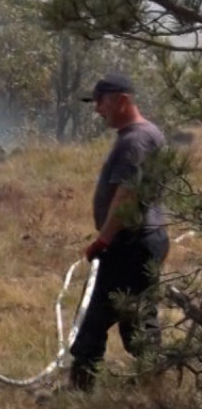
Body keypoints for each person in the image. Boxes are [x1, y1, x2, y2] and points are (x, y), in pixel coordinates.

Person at [68, 72, 169, 391]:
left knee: (93, 320)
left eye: (102, 101)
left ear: (122, 100)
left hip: (130, 243)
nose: (98, 109)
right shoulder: (144, 134)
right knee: (136, 318)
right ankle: (154, 384)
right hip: (142, 240)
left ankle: (78, 392)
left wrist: (103, 239)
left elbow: (127, 196)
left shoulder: (135, 141)